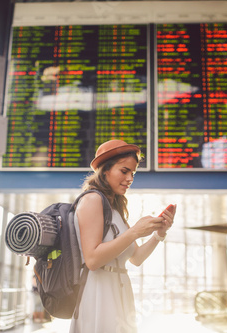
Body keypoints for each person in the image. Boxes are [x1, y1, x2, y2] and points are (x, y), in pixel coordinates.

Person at [70, 140, 176, 333]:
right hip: (99, 292)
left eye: (133, 174)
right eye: (124, 171)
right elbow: (92, 260)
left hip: (120, 290)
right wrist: (134, 231)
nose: (130, 178)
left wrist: (159, 234)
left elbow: (135, 258)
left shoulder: (116, 209)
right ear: (105, 170)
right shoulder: (92, 200)